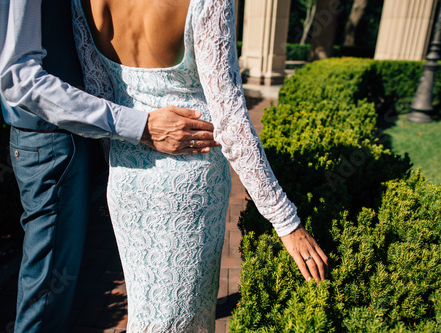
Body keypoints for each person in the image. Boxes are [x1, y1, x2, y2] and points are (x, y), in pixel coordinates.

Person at [72, 0, 329, 331]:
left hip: (128, 177)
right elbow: (231, 120)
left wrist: (126, 153)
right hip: (191, 179)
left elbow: (99, 93)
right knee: (180, 316)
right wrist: (286, 221)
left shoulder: (81, 2)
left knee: (149, 310)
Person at [0, 0, 218, 332]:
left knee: (61, 287)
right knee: (47, 295)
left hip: (74, 135)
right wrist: (140, 126)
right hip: (52, 141)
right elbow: (19, 78)